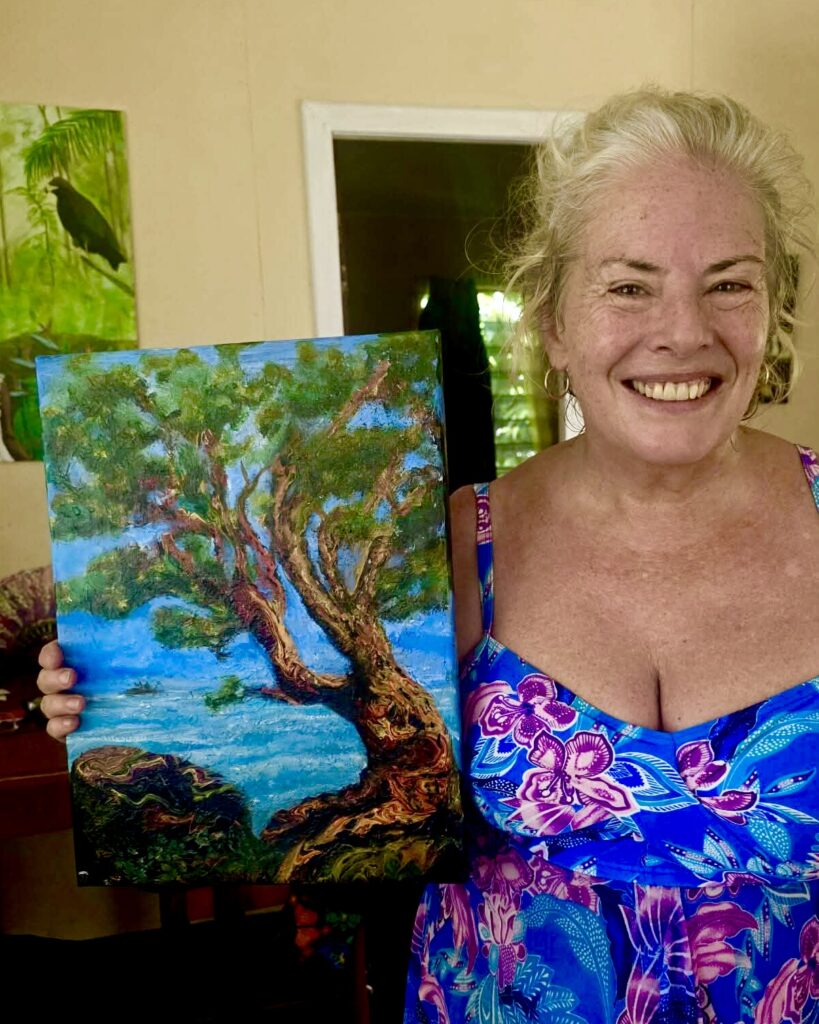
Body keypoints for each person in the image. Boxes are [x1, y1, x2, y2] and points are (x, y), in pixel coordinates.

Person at [39, 88, 819, 1023]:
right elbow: (291, 753)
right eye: (627, 285)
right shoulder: (447, 543)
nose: (683, 332)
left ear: (772, 309)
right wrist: (109, 692)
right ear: (551, 320)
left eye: (729, 283)